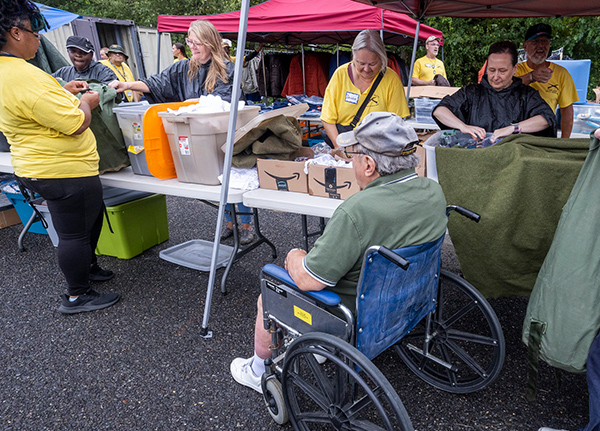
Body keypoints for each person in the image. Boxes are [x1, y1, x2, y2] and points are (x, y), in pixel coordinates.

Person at [230, 111, 448, 393]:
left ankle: (259, 370)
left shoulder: (358, 211)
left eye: (354, 154)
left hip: (352, 313)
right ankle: (319, 346)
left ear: (368, 164)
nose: (350, 159)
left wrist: (294, 256)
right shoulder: (433, 191)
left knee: (269, 290)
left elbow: (311, 280)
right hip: (409, 298)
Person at [0, 0, 120, 314]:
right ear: (15, 32)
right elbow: (75, 123)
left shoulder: (8, 73)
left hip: (37, 165)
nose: (39, 38)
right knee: (74, 232)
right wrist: (89, 102)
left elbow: (32, 108)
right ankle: (77, 294)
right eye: (34, 30)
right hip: (61, 170)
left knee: (88, 221)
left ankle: (87, 268)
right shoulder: (25, 76)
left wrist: (62, 91)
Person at [432, 40, 557, 143]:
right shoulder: (471, 92)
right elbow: (440, 111)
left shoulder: (526, 95)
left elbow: (546, 119)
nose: (495, 77)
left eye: (502, 71)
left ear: (514, 69)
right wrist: (463, 126)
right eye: (491, 70)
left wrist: (513, 128)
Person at [321, 29, 409, 148]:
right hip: (344, 144)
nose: (366, 69)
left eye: (372, 64)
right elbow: (327, 118)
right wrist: (339, 148)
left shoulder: (391, 79)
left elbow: (396, 123)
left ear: (382, 59)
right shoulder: (340, 75)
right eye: (361, 63)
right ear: (353, 57)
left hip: (378, 146)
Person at [109, 20, 234, 103]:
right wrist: (127, 85)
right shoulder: (182, 67)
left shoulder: (226, 69)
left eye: (197, 43)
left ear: (210, 43)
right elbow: (157, 83)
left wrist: (193, 103)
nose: (192, 46)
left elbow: (223, 101)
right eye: (189, 41)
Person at [515, 24, 578, 138]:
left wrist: (564, 143)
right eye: (535, 41)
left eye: (545, 41)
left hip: (546, 136)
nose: (541, 46)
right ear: (525, 46)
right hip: (515, 134)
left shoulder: (561, 73)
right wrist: (530, 77)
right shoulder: (515, 70)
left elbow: (567, 113)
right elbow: (504, 89)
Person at [52, 36, 118, 85]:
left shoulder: (103, 71)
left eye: (83, 52)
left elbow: (113, 93)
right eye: (73, 51)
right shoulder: (63, 72)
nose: (78, 55)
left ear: (91, 55)